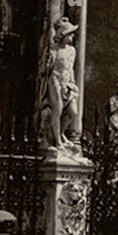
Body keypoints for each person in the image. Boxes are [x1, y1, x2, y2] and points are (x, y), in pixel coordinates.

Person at [37, 17, 81, 153]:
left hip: (66, 82)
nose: (73, 36)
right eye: (70, 34)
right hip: (54, 79)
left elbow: (70, 68)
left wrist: (72, 84)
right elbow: (44, 70)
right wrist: (47, 63)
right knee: (58, 109)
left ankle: (59, 134)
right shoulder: (53, 49)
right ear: (64, 35)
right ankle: (56, 141)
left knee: (73, 111)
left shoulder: (72, 50)